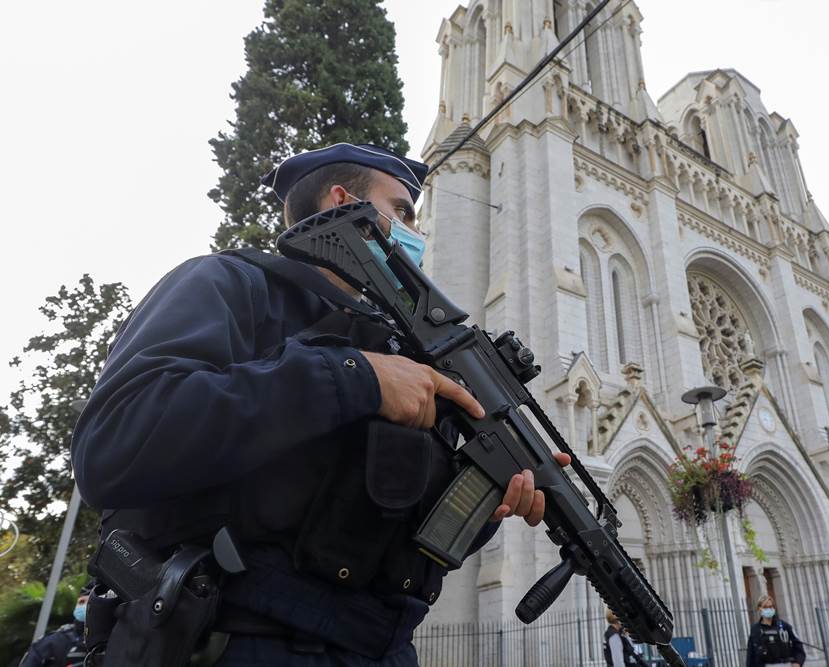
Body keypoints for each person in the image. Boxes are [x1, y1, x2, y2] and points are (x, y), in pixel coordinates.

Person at [71, 144, 571, 666]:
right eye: (401, 210)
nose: (416, 234)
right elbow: (116, 441)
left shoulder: (405, 355)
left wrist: (486, 502)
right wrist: (356, 377)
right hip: (232, 638)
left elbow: (397, 539)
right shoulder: (232, 283)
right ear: (343, 201)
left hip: (382, 649)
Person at [19, 589, 89, 667]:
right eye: (81, 602)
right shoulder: (54, 641)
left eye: (89, 602)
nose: (84, 606)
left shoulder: (103, 641)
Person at [746, 594, 805, 667]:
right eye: (765, 607)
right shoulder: (755, 629)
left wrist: (798, 662)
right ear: (759, 609)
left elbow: (798, 645)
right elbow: (751, 654)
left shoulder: (784, 626)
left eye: (770, 607)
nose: (768, 609)